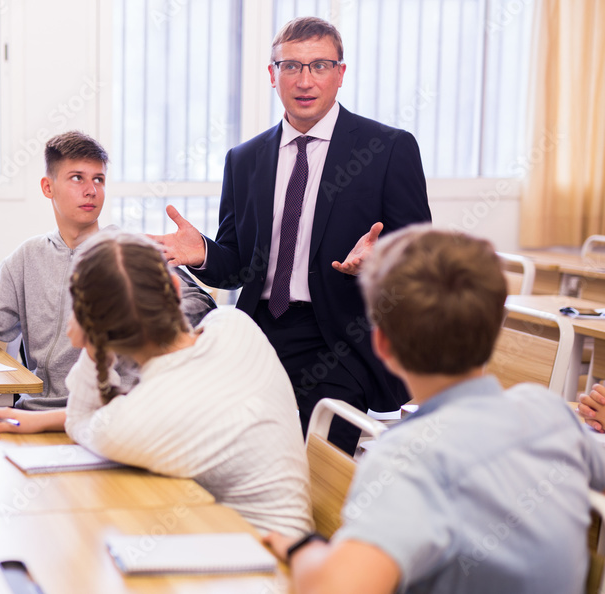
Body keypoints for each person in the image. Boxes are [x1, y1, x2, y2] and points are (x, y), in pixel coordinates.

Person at [263, 226, 605, 594]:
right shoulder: (548, 413)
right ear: (497, 330)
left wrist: (302, 548)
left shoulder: (406, 458)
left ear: (382, 344)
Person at [151, 17, 431, 454]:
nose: (305, 80)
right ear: (272, 75)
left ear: (340, 74)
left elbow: (423, 258)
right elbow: (238, 266)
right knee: (218, 444)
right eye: (291, 67)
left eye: (319, 65)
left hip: (341, 337)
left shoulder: (388, 148)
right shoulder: (243, 160)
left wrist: (384, 261)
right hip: (259, 329)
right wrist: (204, 252)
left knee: (311, 462)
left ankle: (311, 523)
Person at [0, 232, 312, 536]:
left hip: (260, 566)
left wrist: (93, 351)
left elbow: (85, 420)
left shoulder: (137, 420)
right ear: (176, 286)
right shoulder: (235, 325)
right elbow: (156, 414)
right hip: (283, 547)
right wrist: (43, 418)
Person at [0, 131, 216, 410]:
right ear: (48, 187)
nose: (91, 191)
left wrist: (143, 315)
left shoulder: (130, 251)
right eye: (77, 178)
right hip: (34, 409)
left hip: (112, 413)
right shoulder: (28, 256)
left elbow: (201, 306)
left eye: (99, 180)